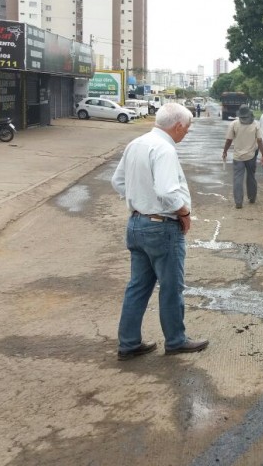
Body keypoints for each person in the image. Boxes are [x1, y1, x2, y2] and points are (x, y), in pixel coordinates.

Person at [111, 102, 208, 360]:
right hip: (161, 228)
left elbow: (117, 181)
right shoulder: (165, 149)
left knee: (138, 287)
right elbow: (167, 191)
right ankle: (176, 340)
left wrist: (140, 200)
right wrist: (184, 213)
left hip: (136, 224)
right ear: (177, 126)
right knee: (171, 287)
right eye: (186, 129)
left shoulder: (137, 143)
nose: (185, 134)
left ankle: (128, 343)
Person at [223, 105, 263, 209]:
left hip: (238, 157)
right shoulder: (256, 124)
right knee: (251, 177)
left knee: (238, 179)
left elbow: (229, 140)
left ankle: (238, 202)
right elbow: (260, 140)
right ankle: (252, 198)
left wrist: (225, 151)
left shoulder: (234, 124)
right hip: (251, 156)